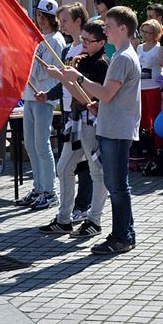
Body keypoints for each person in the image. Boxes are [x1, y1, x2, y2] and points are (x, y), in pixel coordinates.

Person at [60, 6, 141, 255]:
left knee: (116, 185)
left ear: (123, 29)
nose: (104, 29)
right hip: (114, 125)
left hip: (117, 130)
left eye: (108, 26)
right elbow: (109, 97)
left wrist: (79, 79)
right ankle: (125, 232)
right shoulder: (122, 55)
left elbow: (107, 93)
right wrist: (99, 105)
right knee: (116, 184)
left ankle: (121, 237)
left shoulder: (122, 57)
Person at [41, 20, 110, 238]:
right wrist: (63, 77)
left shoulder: (102, 63)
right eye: (83, 39)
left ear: (101, 42)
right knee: (64, 168)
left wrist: (64, 77)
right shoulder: (82, 59)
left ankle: (94, 220)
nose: (84, 44)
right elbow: (75, 91)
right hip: (77, 120)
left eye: (89, 41)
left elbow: (90, 98)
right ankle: (64, 219)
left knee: (96, 172)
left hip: (91, 121)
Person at [38, 2, 93, 224]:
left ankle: (83, 205)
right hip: (68, 111)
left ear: (78, 21)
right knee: (69, 164)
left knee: (84, 163)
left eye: (65, 21)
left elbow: (81, 82)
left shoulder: (87, 50)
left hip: (83, 112)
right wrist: (49, 94)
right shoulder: (66, 49)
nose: (62, 25)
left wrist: (61, 77)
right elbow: (63, 85)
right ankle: (68, 208)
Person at [16, 0, 65, 210]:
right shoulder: (38, 38)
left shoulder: (55, 40)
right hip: (29, 95)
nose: (41, 21)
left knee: (41, 144)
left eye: (44, 17)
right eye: (38, 16)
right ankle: (38, 188)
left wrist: (29, 65)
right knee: (30, 145)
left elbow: (48, 70)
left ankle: (49, 191)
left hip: (43, 97)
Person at [138, 19, 163, 153]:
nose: (144, 34)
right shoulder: (139, 47)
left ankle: (158, 148)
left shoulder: (159, 48)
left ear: (155, 34)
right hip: (140, 87)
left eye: (147, 32)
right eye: (142, 31)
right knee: (143, 119)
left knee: (156, 119)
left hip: (154, 87)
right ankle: (146, 147)